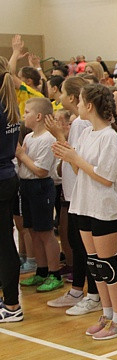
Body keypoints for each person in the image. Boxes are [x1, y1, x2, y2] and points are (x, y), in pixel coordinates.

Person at [53, 84, 117, 340]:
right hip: (84, 204)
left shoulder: (110, 137)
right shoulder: (86, 134)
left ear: (89, 106)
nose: (78, 106)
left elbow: (106, 178)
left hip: (104, 208)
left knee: (108, 265)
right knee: (95, 265)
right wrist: (68, 154)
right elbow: (78, 170)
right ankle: (107, 313)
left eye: (82, 101)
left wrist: (76, 159)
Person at [16, 98, 62, 293]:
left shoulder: (47, 139)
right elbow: (24, 165)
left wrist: (21, 155)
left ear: (39, 116)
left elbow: (41, 171)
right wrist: (22, 158)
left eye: (27, 112)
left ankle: (54, 273)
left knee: (45, 232)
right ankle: (41, 271)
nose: (24, 115)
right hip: (26, 185)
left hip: (41, 186)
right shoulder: (29, 137)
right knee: (32, 230)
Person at [0, 60, 22, 321]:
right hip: (8, 176)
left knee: (5, 243)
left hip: (2, 178)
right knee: (4, 240)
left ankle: (13, 306)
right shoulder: (9, 104)